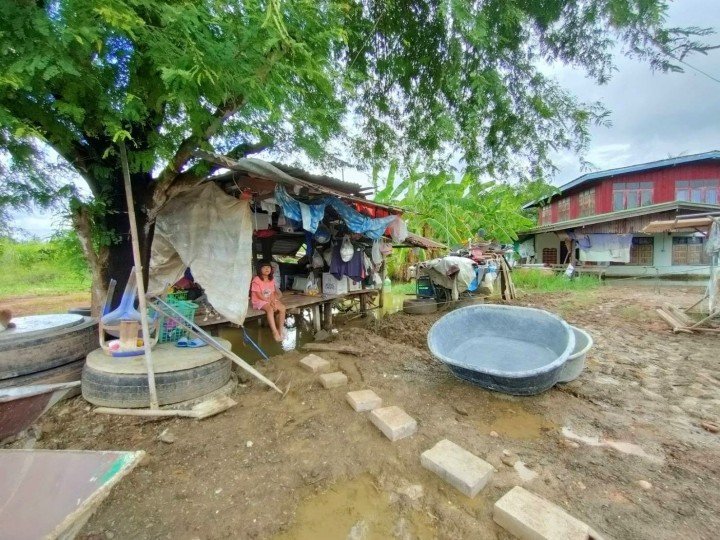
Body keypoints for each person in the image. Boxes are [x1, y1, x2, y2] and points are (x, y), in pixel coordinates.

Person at [250, 261, 286, 341]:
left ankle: (280, 329)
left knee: (282, 308)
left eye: (268, 267)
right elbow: (258, 295)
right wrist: (270, 303)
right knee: (270, 309)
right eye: (264, 267)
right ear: (259, 269)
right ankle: (274, 332)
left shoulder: (271, 279)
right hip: (259, 300)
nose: (267, 269)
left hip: (269, 299)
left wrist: (273, 301)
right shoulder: (256, 280)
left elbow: (272, 293)